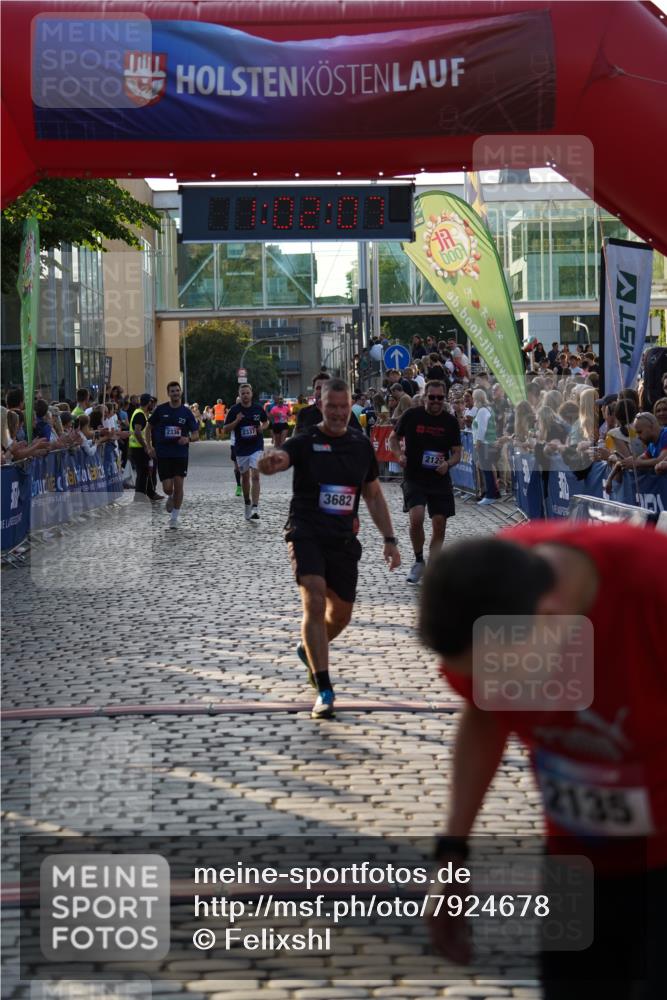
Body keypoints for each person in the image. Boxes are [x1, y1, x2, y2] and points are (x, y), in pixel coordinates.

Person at [420, 522, 667, 1000]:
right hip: (576, 857)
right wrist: (452, 855)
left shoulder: (650, 586)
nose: (507, 691)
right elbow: (484, 718)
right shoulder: (484, 588)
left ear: (551, 616)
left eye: (510, 673)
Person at [258, 378, 400, 719]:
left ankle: (308, 649)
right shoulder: (306, 440)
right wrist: (272, 462)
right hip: (306, 531)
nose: (337, 412)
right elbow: (282, 457)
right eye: (331, 406)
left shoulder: (360, 445)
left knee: (341, 615)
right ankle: (324, 687)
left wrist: (390, 540)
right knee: (314, 594)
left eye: (343, 406)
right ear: (320, 406)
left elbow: (374, 495)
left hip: (342, 538)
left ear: (351, 406)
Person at [387, 380, 461, 585]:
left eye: (440, 398)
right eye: (432, 397)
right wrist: (399, 455)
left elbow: (457, 453)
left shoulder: (450, 422)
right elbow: (393, 439)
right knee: (417, 517)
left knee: (439, 524)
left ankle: (435, 564)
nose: (436, 401)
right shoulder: (412, 415)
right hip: (415, 476)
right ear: (425, 396)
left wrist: (448, 463)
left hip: (439, 478)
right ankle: (419, 561)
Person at [148, 381, 199, 529]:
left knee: (179, 484)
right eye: (172, 391)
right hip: (163, 453)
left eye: (177, 390)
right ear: (168, 393)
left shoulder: (186, 412)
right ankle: (170, 496)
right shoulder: (160, 410)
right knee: (167, 488)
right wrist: (149, 446)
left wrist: (188, 439)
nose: (175, 393)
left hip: (180, 454)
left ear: (181, 392)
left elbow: (196, 434)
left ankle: (174, 518)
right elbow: (148, 427)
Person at [223, 383, 269, 520]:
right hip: (241, 449)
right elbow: (225, 429)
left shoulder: (258, 409)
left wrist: (262, 428)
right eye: (242, 393)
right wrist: (236, 421)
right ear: (239, 395)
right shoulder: (234, 410)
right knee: (245, 478)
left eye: (247, 393)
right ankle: (247, 503)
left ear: (251, 394)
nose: (245, 395)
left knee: (256, 476)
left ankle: (255, 507)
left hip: (256, 447)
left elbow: (266, 422)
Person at [295, 372, 362, 434]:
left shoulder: (344, 413)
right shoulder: (304, 413)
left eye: (325, 388)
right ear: (314, 391)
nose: (322, 391)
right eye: (318, 388)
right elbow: (298, 438)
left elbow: (358, 435)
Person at [128, 393, 163, 502]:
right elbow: (137, 432)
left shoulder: (143, 413)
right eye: (152, 402)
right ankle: (139, 496)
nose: (153, 405)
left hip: (141, 447)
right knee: (142, 473)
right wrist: (146, 446)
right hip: (139, 448)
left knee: (147, 472)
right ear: (148, 403)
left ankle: (150, 493)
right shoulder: (139, 414)